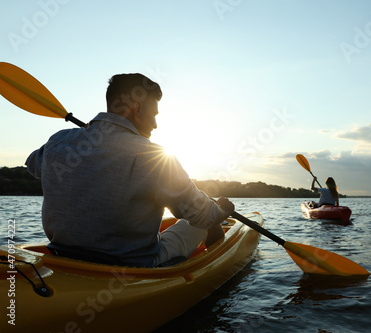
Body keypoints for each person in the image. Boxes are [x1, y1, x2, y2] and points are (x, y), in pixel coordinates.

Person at [25, 73, 234, 267]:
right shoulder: (152, 156)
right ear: (137, 108)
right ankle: (215, 264)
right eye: (154, 113)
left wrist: (82, 137)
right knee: (201, 223)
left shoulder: (58, 141)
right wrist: (221, 210)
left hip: (63, 258)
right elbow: (202, 216)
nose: (156, 124)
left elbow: (32, 164)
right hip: (132, 266)